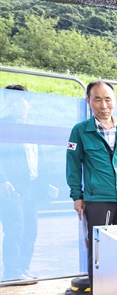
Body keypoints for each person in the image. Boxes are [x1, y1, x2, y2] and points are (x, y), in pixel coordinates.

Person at [66, 80, 117, 295]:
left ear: (114, 101)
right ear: (88, 101)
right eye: (97, 99)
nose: (103, 104)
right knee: (99, 250)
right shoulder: (80, 131)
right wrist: (77, 196)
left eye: (107, 99)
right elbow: (73, 165)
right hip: (99, 203)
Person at [0, 85, 48, 283]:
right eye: (11, 100)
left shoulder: (32, 126)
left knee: (30, 229)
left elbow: (38, 156)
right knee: (15, 228)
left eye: (20, 100)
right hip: (11, 186)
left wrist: (45, 183)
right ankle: (12, 272)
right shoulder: (3, 125)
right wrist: (3, 180)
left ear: (29, 104)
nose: (16, 104)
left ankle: (23, 268)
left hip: (31, 186)